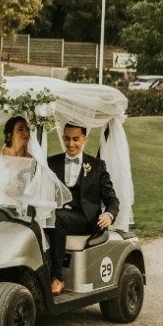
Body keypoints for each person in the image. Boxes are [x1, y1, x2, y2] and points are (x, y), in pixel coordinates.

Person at [44, 121, 118, 297]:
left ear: (85, 139)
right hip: (58, 214)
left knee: (55, 218)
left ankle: (57, 277)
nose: (70, 144)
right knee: (47, 218)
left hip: (85, 219)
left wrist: (109, 214)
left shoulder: (97, 166)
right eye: (67, 139)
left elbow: (112, 199)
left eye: (76, 139)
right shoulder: (51, 163)